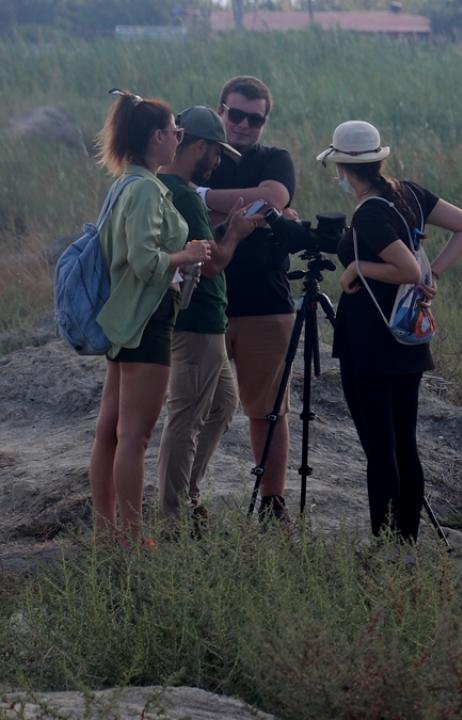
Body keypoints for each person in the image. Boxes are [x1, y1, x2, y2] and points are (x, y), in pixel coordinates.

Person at [318, 121, 462, 541]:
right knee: (404, 444)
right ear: (381, 159)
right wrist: (435, 275)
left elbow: (405, 267)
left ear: (341, 168)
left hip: (372, 342)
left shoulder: (370, 212)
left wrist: (357, 267)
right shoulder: (408, 193)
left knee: (380, 449)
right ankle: (406, 542)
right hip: (408, 335)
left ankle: (386, 543)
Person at [89, 89, 210, 545]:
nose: (179, 139)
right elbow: (144, 261)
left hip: (125, 316)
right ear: (157, 137)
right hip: (146, 317)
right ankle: (132, 537)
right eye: (175, 132)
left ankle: (108, 531)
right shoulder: (145, 190)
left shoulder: (125, 183)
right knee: (133, 435)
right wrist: (188, 254)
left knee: (111, 430)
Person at [194, 76, 298, 521]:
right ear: (220, 111)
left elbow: (274, 197)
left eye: (254, 119)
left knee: (269, 410)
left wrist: (202, 200)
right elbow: (171, 194)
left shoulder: (275, 158)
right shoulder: (201, 156)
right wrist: (245, 207)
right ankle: (186, 497)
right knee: (193, 410)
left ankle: (272, 503)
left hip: (266, 303)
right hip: (203, 301)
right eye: (234, 114)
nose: (242, 125)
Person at [156, 106, 263, 524]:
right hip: (196, 320)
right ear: (198, 146)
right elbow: (213, 264)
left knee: (222, 404)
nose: (217, 163)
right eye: (215, 153)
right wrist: (234, 233)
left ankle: (187, 494)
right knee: (187, 416)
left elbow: (199, 252)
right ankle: (172, 515)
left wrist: (224, 233)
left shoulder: (166, 189)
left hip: (204, 320)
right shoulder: (182, 194)